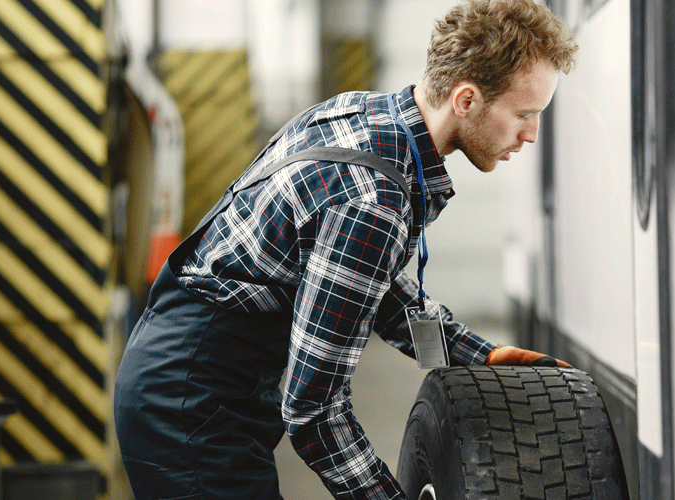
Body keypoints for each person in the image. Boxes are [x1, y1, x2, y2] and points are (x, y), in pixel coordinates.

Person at [113, 1, 578, 498]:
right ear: (465, 100)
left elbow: (372, 288)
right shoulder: (372, 202)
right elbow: (314, 410)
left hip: (191, 377)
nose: (530, 135)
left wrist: (479, 355)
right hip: (187, 402)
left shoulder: (361, 114)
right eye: (524, 115)